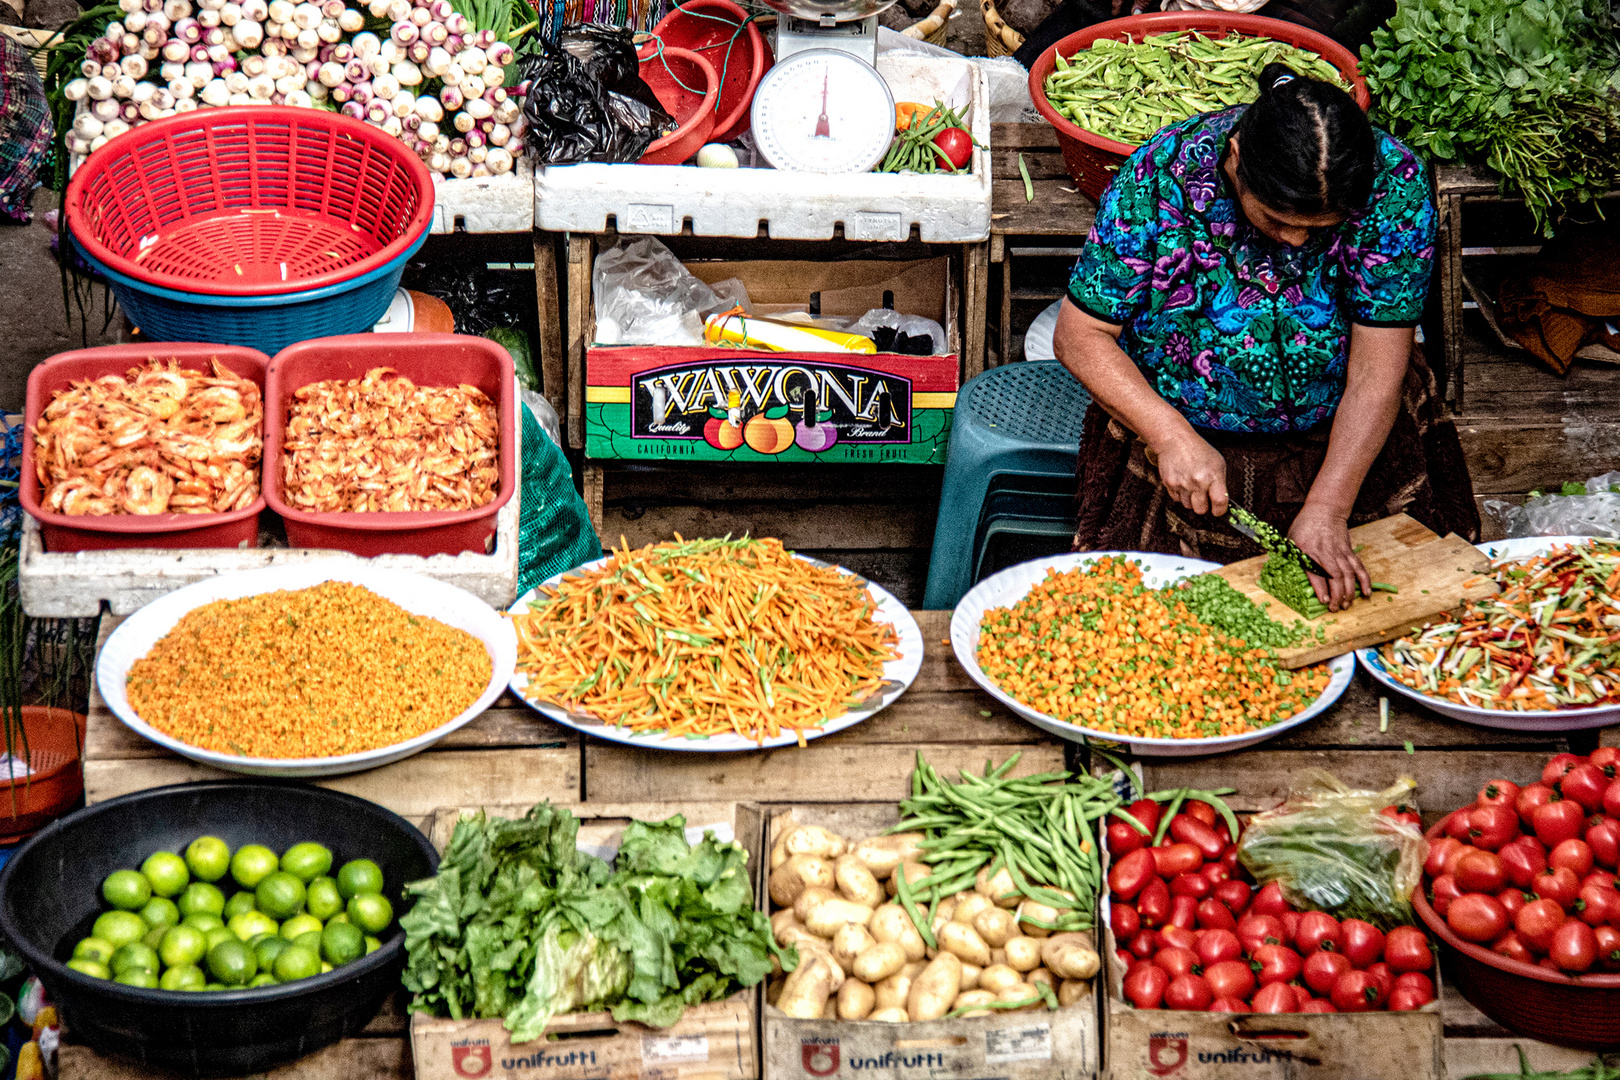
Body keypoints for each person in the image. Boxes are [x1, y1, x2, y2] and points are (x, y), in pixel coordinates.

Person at [1055, 64, 1479, 611]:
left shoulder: (1393, 184)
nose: (1296, 240)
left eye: (1320, 228)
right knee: (1173, 630)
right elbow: (1079, 334)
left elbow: (1377, 366)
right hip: (1185, 427)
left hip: (1348, 429)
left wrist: (1329, 508)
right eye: (1277, 220)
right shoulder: (1161, 178)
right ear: (1235, 159)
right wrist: (1170, 438)